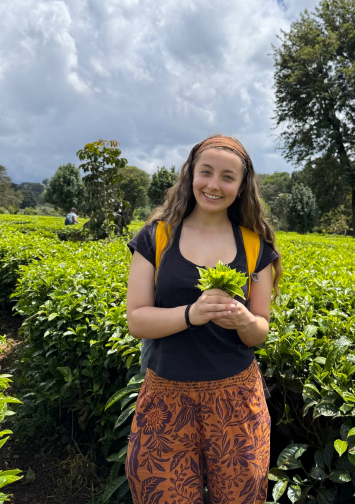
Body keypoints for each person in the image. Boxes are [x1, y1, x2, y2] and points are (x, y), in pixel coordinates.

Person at [125, 134, 282, 504]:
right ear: (190, 175)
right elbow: (137, 320)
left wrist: (243, 321)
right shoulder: (156, 237)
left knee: (240, 498)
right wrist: (192, 314)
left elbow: (260, 330)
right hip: (165, 399)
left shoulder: (255, 245)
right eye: (206, 172)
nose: (214, 185)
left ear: (242, 186)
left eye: (228, 177)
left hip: (237, 401)